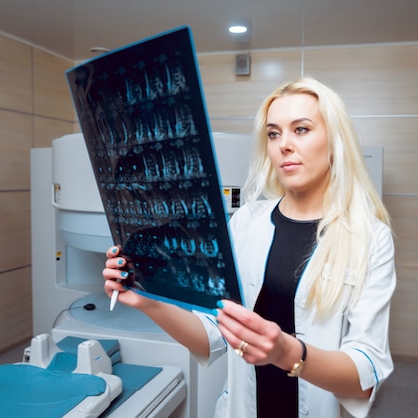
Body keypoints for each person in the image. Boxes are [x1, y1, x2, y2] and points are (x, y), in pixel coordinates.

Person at [103, 76, 396, 418]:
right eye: (274, 133)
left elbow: (364, 376)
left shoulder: (369, 237)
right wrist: (145, 300)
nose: (284, 144)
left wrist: (287, 352)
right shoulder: (245, 223)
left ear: (334, 141)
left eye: (301, 129)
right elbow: (211, 335)